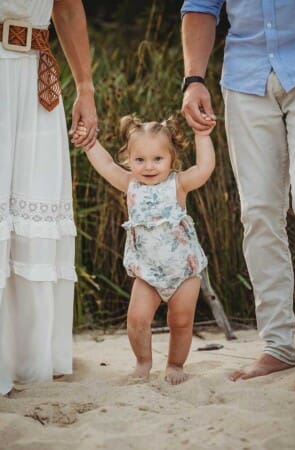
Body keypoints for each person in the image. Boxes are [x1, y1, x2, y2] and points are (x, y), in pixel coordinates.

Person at [180, 1, 295, 383]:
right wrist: (193, 80)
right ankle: (278, 345)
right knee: (259, 213)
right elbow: (200, 6)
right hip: (245, 79)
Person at [0, 0, 97, 396]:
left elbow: (69, 7)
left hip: (37, 79)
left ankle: (29, 358)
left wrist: (85, 89)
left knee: (33, 203)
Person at [73, 114, 215, 384]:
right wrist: (89, 144)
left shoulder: (178, 184)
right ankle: (143, 362)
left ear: (172, 158)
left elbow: (205, 167)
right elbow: (105, 164)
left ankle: (175, 365)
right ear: (129, 159)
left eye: (157, 159)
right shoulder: (130, 184)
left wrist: (202, 134)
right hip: (147, 272)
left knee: (181, 322)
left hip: (183, 271)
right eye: (140, 160)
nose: (148, 167)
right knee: (137, 320)